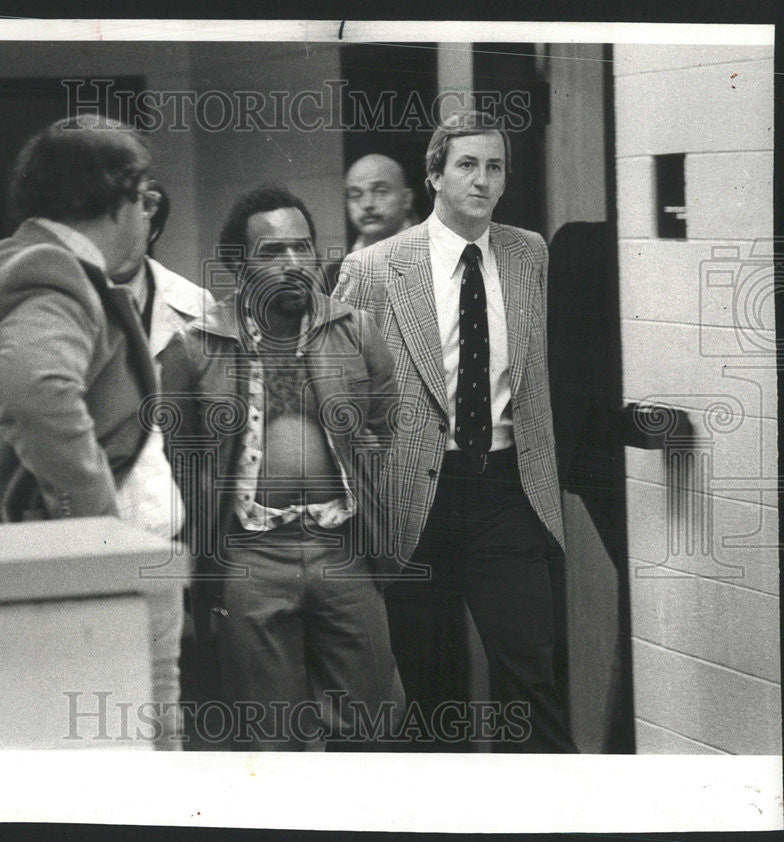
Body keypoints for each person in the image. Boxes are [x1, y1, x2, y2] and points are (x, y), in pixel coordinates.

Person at [0, 115, 184, 748]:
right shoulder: (54, 270)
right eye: (145, 202)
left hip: (11, 553)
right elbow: (36, 389)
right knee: (142, 763)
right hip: (103, 571)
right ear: (122, 197)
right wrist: (95, 533)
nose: (148, 219)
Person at [334, 111, 576, 753]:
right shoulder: (378, 268)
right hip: (417, 500)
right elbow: (340, 396)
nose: (483, 179)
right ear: (435, 174)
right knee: (432, 692)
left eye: (495, 167)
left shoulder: (529, 254)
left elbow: (536, 377)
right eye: (467, 165)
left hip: (505, 491)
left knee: (533, 678)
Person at [159, 184, 405, 750]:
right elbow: (183, 463)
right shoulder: (194, 348)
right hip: (251, 555)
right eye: (272, 252)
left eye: (303, 248)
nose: (294, 264)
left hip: (342, 546)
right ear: (237, 265)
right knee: (273, 737)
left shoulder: (357, 330)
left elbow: (384, 428)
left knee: (372, 725)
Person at [110, 179, 214, 358]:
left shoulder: (196, 303)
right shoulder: (66, 294)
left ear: (154, 233)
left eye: (131, 232)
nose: (120, 244)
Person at [345, 154, 415, 253]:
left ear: (406, 199)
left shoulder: (438, 259)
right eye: (356, 195)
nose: (367, 204)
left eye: (380, 191)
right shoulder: (339, 267)